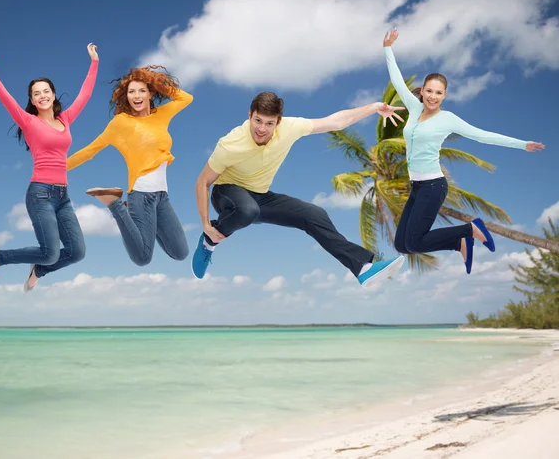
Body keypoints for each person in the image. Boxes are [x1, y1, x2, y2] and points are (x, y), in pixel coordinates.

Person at [192, 92, 406, 288]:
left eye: (269, 123)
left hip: (260, 196)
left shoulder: (290, 128)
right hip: (226, 193)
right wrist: (205, 225)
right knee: (248, 210)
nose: (261, 129)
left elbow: (335, 121)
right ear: (250, 115)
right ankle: (209, 241)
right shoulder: (230, 144)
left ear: (278, 122)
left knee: (314, 215)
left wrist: (375, 107)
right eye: (257, 120)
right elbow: (203, 183)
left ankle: (362, 267)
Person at [383, 29, 545, 273]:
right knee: (403, 245)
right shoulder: (415, 109)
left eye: (438, 93)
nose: (432, 96)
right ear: (423, 91)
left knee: (415, 241)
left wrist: (522, 144)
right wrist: (387, 48)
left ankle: (469, 229)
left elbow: (483, 136)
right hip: (417, 187)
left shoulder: (448, 119)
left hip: (433, 186)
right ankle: (459, 242)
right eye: (429, 91)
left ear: (444, 95)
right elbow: (397, 81)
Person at [0, 43, 99, 292]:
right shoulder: (28, 121)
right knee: (50, 252)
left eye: (46, 91)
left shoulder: (65, 119)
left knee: (77, 252)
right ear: (32, 100)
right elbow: (4, 96)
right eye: (36, 93)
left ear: (53, 94)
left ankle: (38, 270)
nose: (42, 96)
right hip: (40, 194)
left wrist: (94, 62)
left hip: (63, 196)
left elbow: (85, 95)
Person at [66, 66, 192, 266]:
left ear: (150, 93)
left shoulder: (161, 115)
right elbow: (90, 150)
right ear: (126, 96)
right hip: (141, 195)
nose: (137, 96)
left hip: (162, 196)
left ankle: (131, 215)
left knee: (180, 253)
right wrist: (58, 167)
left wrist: (158, 83)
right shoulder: (121, 123)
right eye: (131, 91)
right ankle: (115, 204)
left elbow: (186, 98)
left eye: (142, 90)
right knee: (142, 258)